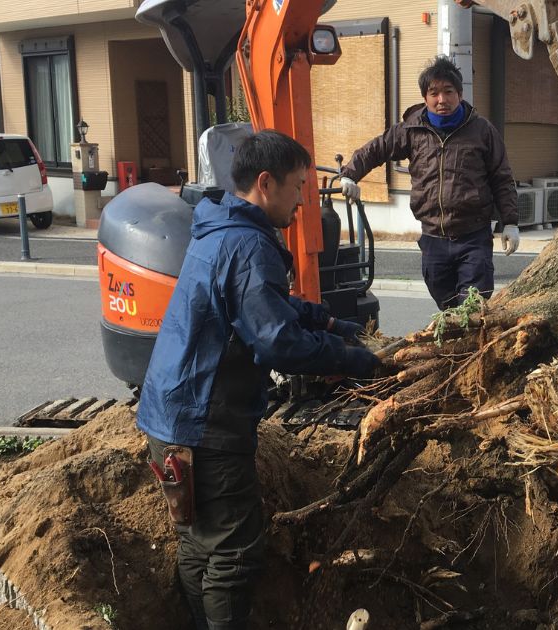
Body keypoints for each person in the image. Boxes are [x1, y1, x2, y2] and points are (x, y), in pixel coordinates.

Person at [136, 129, 380, 630]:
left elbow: (265, 304)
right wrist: (360, 362)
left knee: (198, 540)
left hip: (168, 418)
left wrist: (328, 321)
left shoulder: (220, 230)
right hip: (205, 426)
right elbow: (278, 344)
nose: (301, 201)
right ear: (266, 184)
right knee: (235, 551)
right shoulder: (250, 245)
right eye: (297, 187)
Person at [339, 55, 519, 310]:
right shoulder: (412, 130)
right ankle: (455, 345)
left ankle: (466, 344)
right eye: (434, 93)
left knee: (472, 307)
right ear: (425, 97)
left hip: (473, 236)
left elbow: (502, 177)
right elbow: (376, 149)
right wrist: (349, 174)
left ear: (460, 93)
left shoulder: (482, 131)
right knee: (445, 304)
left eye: (448, 91)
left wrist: (511, 222)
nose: (441, 100)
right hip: (433, 236)